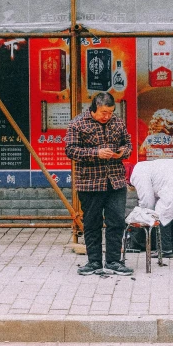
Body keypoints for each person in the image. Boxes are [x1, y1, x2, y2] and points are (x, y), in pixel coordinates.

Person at [65, 92, 133, 276]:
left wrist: (122, 152)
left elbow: (128, 143)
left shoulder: (117, 122)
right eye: (104, 112)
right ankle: (94, 262)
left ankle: (113, 261)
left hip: (115, 181)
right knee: (92, 222)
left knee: (117, 221)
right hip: (89, 182)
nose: (107, 116)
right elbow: (70, 150)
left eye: (110, 112)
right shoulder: (77, 123)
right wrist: (96, 153)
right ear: (94, 109)